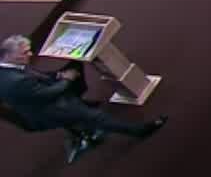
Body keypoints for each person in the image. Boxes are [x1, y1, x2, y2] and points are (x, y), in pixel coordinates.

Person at [0, 35, 166, 161]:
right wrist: (67, 79)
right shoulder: (16, 81)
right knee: (96, 117)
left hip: (38, 97)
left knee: (75, 65)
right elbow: (48, 95)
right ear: (10, 55)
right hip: (48, 111)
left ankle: (78, 101)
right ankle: (139, 131)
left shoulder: (9, 68)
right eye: (25, 53)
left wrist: (58, 75)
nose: (31, 54)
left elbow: (36, 77)